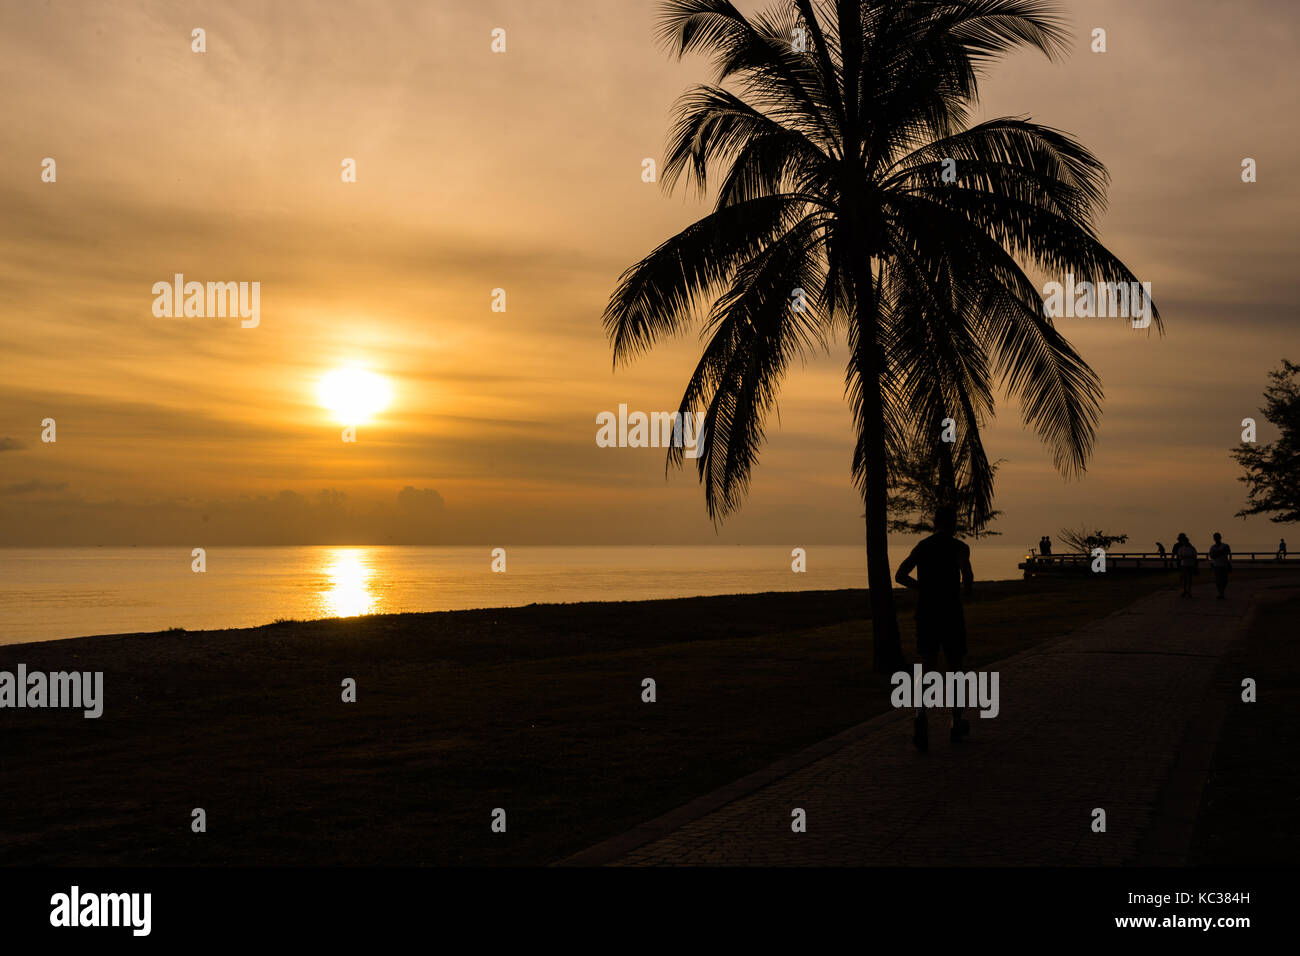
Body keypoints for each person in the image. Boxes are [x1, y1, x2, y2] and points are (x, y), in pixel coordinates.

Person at [896, 506, 974, 751]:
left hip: (927, 613)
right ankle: (956, 721)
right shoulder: (960, 547)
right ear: (953, 524)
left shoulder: (923, 546)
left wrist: (923, 589)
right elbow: (967, 575)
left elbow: (900, 575)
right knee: (955, 669)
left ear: (934, 523)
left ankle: (920, 714)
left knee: (928, 667)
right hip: (951, 613)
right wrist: (965, 590)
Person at [1208, 532, 1232, 599]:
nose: (1216, 539)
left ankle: (1222, 592)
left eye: (1217, 537)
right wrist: (1221, 552)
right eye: (1215, 538)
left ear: (1220, 538)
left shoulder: (1225, 545)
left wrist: (1217, 553)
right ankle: (1221, 593)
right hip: (1216, 565)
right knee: (1218, 580)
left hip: (1224, 565)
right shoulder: (1213, 547)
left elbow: (1227, 552)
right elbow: (1212, 556)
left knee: (1225, 580)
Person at [1173, 533, 1197, 598]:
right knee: (1184, 578)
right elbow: (1177, 555)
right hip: (1183, 564)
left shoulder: (1191, 548)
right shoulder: (1180, 547)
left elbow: (1194, 556)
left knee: (1188, 578)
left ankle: (1188, 591)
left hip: (1189, 564)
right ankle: (1185, 590)